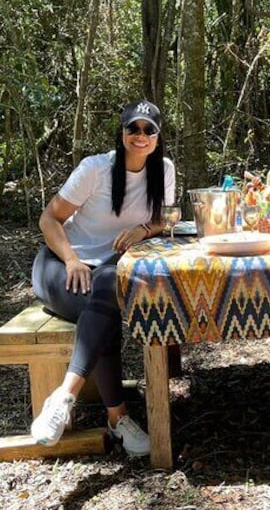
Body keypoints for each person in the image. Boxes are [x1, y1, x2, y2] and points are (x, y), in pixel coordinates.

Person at [30, 100, 176, 455]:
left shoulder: (164, 169)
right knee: (103, 307)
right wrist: (72, 259)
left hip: (108, 270)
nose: (140, 136)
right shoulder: (94, 169)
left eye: (148, 130)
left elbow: (167, 219)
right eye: (133, 129)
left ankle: (80, 402)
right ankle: (93, 408)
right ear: (122, 132)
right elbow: (49, 219)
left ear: (157, 137)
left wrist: (144, 229)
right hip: (59, 267)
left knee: (107, 292)